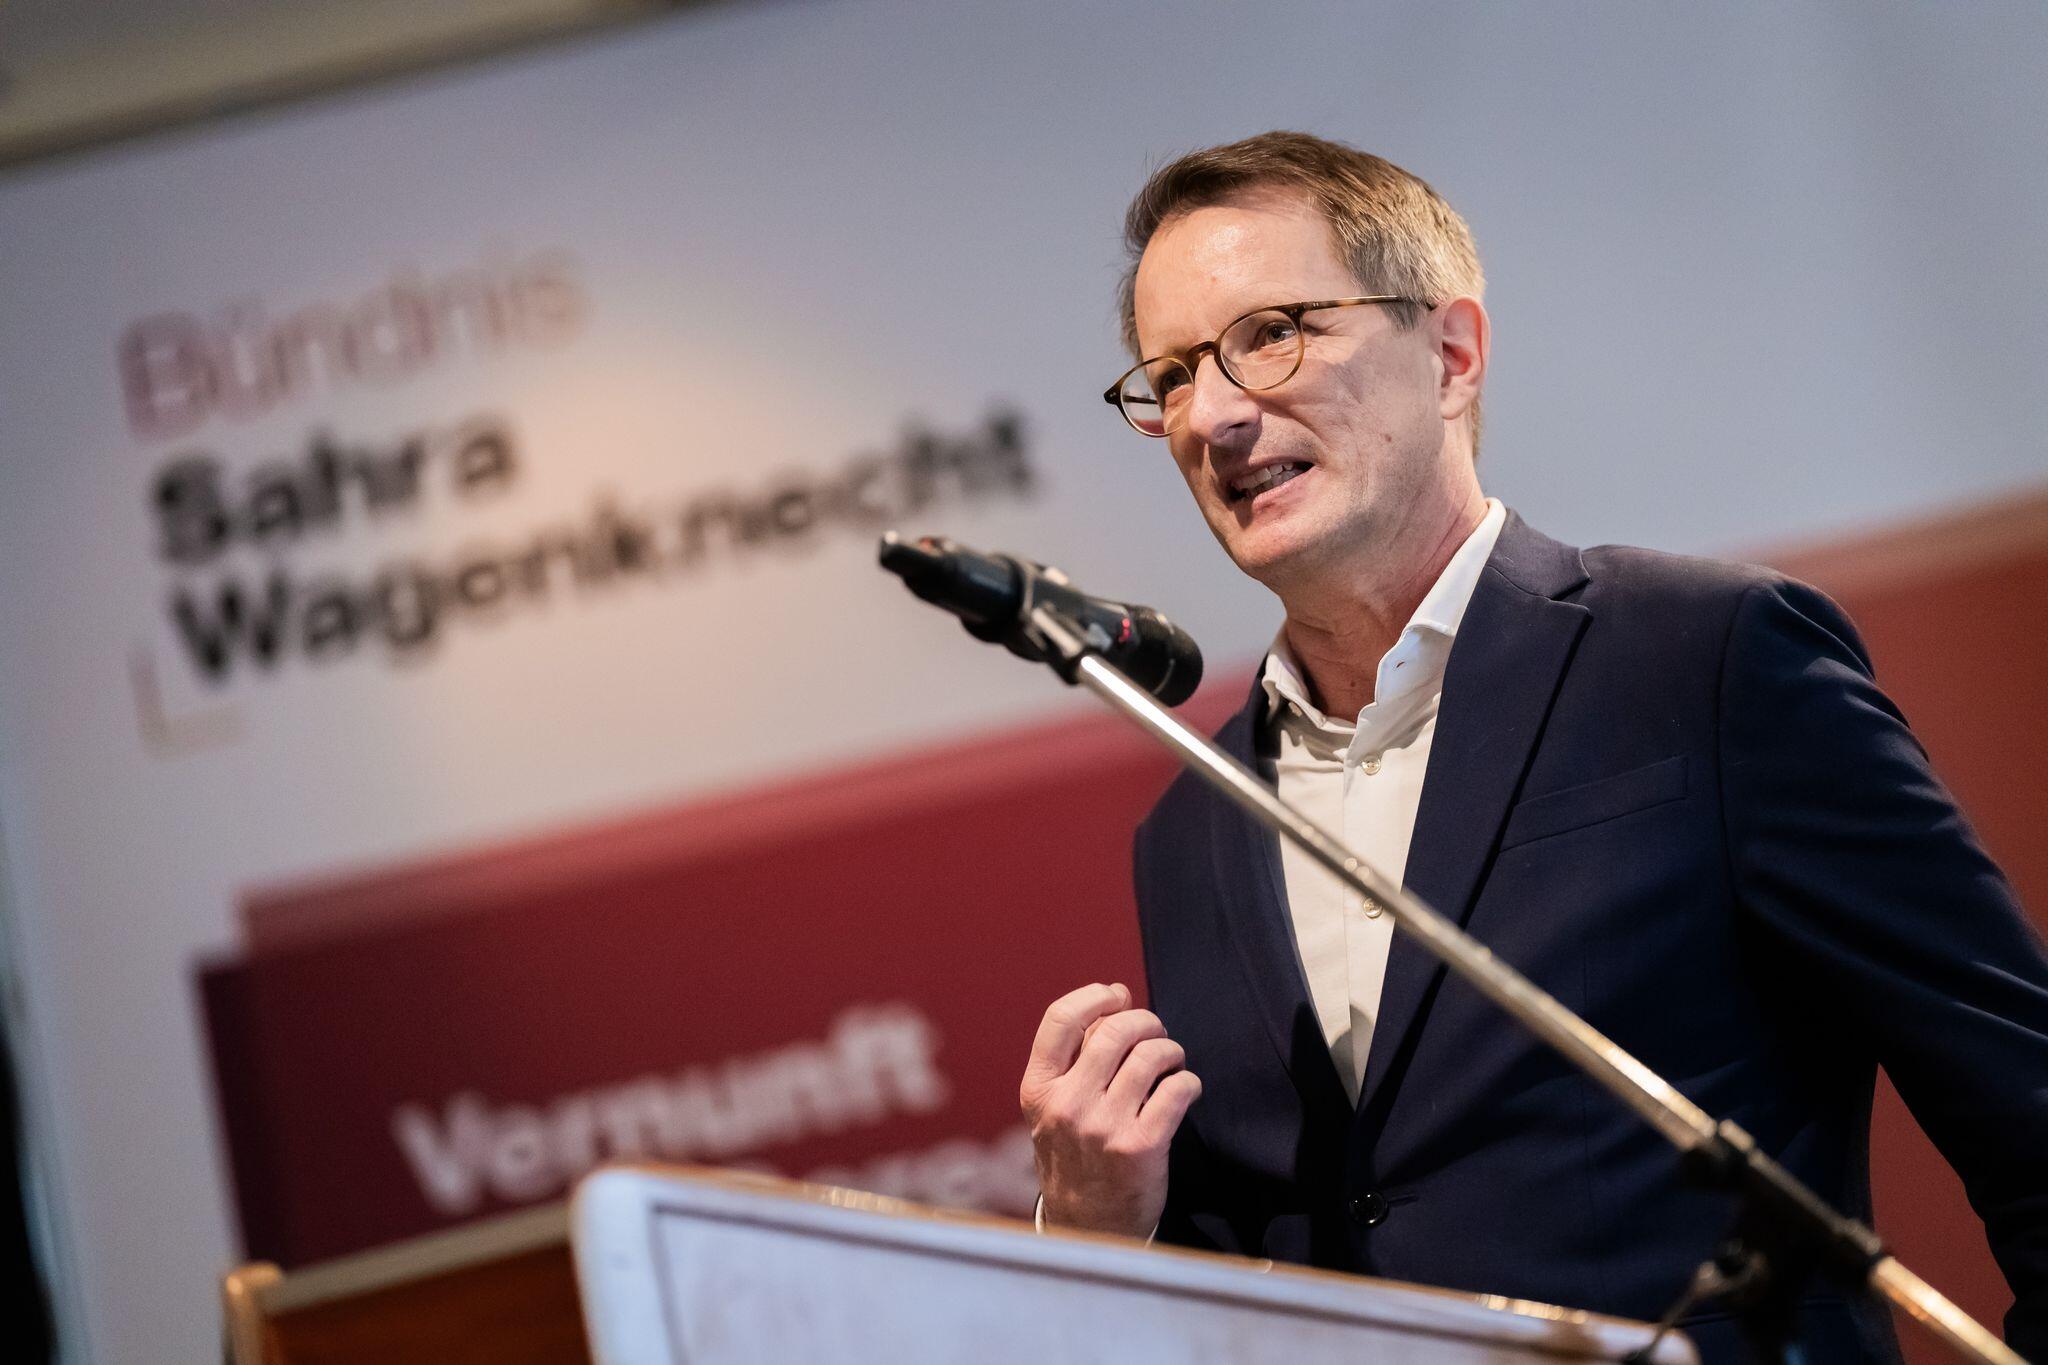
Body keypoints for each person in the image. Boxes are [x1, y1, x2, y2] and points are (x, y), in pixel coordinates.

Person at [1017, 131, 2048, 1364]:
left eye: (1271, 333)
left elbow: (2023, 1102)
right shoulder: (1191, 830)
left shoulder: (1703, 660)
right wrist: (1093, 1231)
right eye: (1172, 375)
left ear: (1450, 355)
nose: (1215, 415)